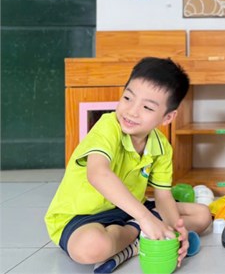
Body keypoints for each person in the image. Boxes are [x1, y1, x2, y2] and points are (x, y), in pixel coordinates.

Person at [45, 57, 212, 273]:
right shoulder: (107, 127)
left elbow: (163, 197)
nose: (132, 111)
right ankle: (137, 233)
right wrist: (145, 219)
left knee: (202, 215)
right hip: (82, 216)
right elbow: (97, 174)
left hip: (130, 209)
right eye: (127, 98)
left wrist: (177, 233)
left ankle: (139, 233)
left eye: (147, 107)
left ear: (167, 117)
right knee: (91, 248)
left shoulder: (162, 146)